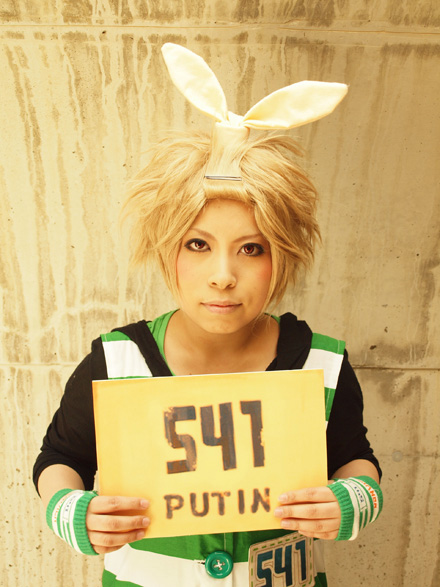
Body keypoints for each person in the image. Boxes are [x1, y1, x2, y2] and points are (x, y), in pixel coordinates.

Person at [33, 43, 383, 587]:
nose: (223, 275)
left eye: (252, 248)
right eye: (198, 244)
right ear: (167, 248)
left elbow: (354, 457)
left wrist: (356, 499)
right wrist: (70, 511)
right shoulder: (117, 360)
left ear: (283, 257)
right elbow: (61, 457)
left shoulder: (322, 363)